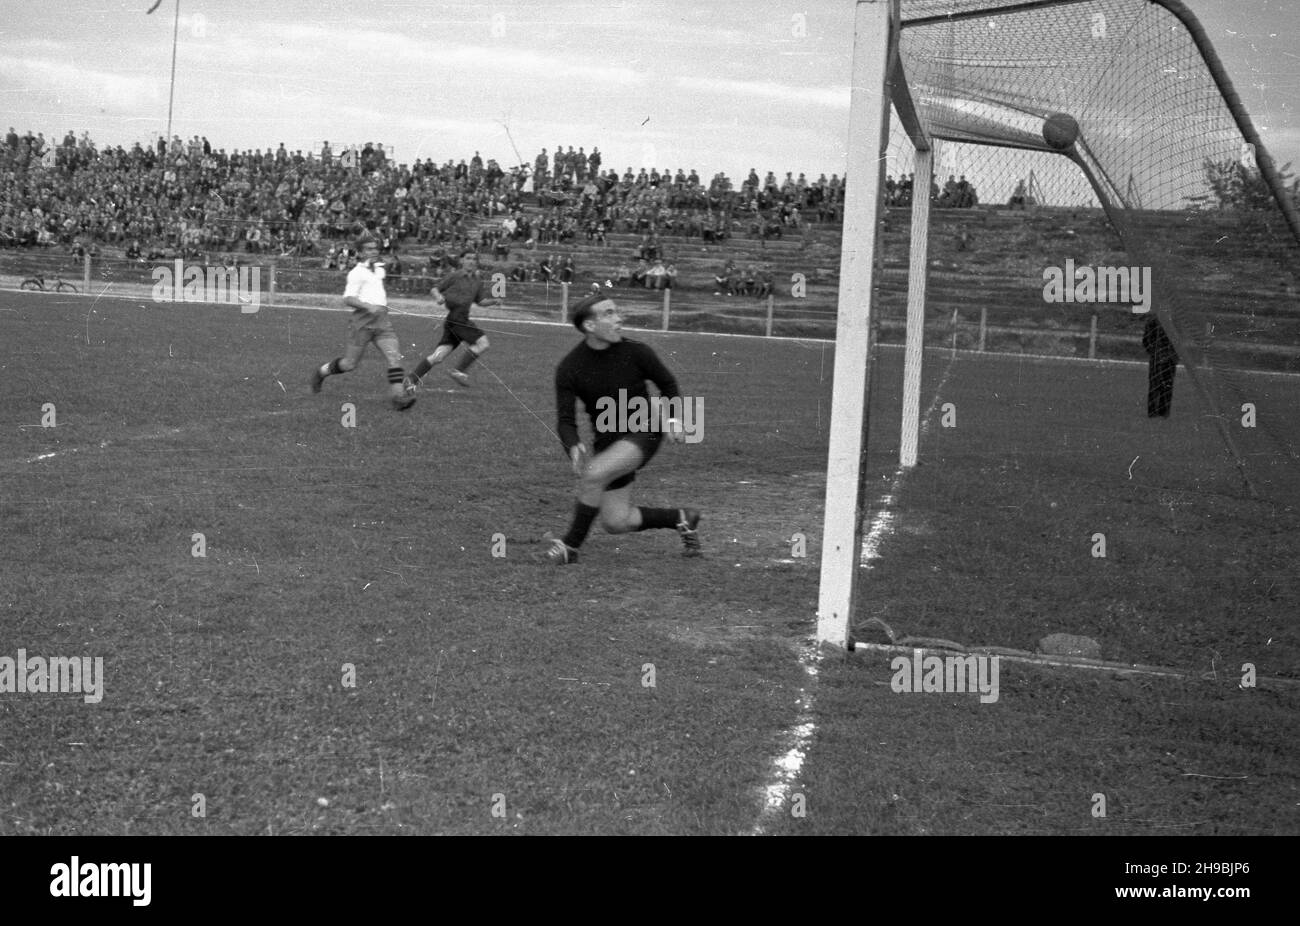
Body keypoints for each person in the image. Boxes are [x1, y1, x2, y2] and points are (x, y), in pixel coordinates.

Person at [544, 294, 701, 564]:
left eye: (616, 312)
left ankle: (570, 546)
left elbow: (668, 384)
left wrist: (674, 419)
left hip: (646, 429)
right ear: (590, 326)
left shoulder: (637, 352)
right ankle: (681, 518)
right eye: (608, 314)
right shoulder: (570, 368)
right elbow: (565, 420)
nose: (618, 319)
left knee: (594, 475)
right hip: (608, 441)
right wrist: (572, 445)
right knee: (616, 521)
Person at [309, 234, 416, 411]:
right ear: (359, 252)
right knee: (349, 364)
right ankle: (321, 373)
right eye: (368, 249)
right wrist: (368, 306)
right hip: (362, 322)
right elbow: (348, 298)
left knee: (394, 357)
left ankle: (399, 398)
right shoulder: (356, 273)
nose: (373, 251)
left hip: (382, 321)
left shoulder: (380, 268)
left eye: (375, 248)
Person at [407, 250, 504, 388]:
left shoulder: (477, 280)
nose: (471, 261)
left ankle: (411, 379)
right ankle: (458, 371)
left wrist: (494, 301)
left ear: (476, 262)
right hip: (458, 319)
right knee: (483, 343)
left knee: (438, 356)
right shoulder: (454, 276)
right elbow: (435, 289)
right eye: (468, 258)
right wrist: (438, 297)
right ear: (462, 261)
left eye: (474, 259)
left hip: (455, 321)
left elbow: (480, 301)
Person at [1142, 315, 1178, 418]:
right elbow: (1146, 340)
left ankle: (1161, 412)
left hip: (1165, 358)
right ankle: (1157, 413)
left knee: (1164, 385)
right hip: (1160, 357)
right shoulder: (1154, 321)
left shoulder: (1174, 322)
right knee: (1158, 385)